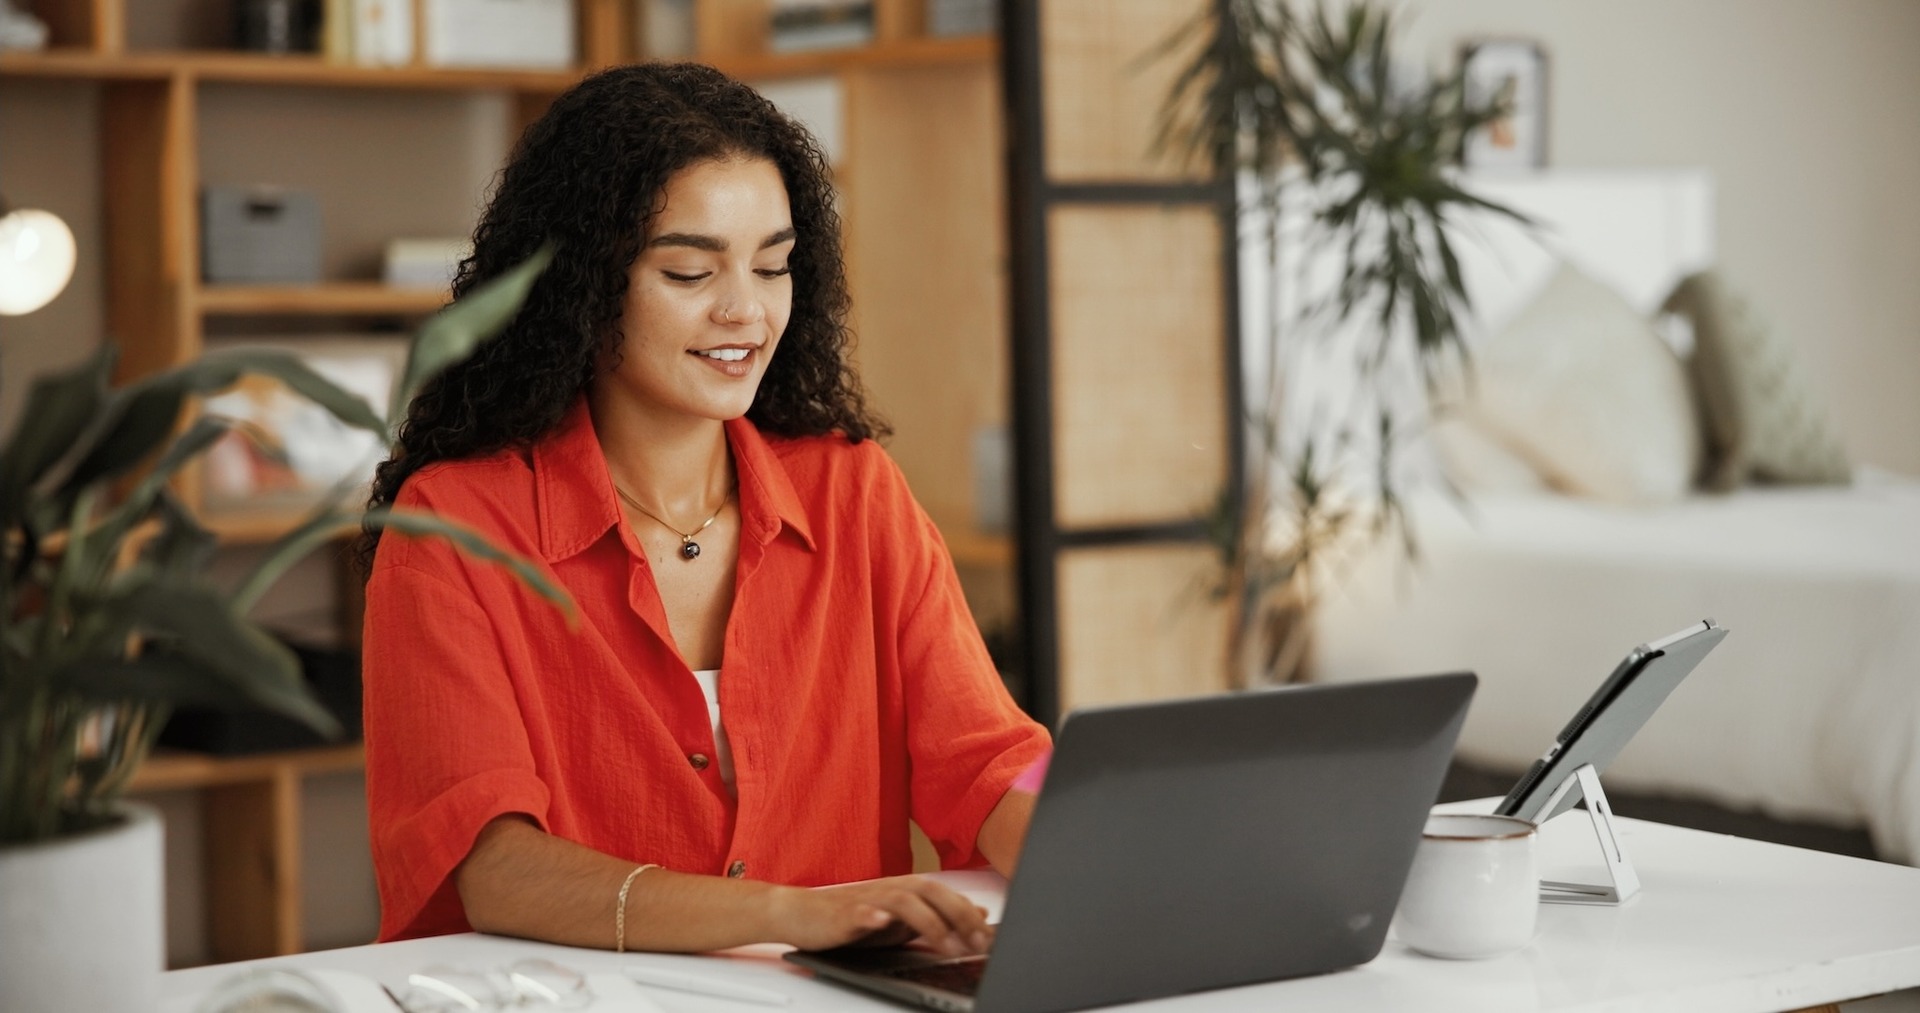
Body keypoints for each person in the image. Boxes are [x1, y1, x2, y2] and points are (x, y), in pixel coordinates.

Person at [358, 62, 1049, 957]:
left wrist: (1108, 862)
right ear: (582, 282)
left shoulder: (854, 492)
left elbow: (985, 762)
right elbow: (491, 865)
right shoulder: (452, 529)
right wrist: (789, 914)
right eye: (690, 271)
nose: (746, 311)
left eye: (773, 266)